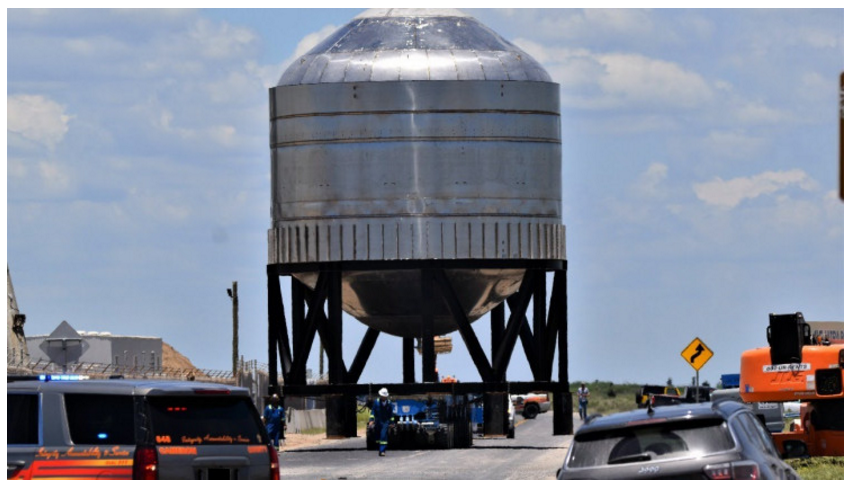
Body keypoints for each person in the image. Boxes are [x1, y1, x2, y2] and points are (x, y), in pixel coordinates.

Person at [369, 387, 395, 457]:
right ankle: (379, 447)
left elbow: (391, 414)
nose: (383, 397)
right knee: (378, 436)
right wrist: (371, 420)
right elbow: (373, 411)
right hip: (378, 421)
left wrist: (392, 422)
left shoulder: (389, 403)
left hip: (385, 422)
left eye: (384, 396)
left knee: (383, 435)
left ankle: (382, 451)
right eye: (382, 396)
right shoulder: (376, 402)